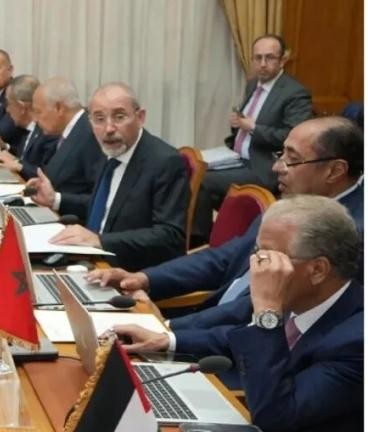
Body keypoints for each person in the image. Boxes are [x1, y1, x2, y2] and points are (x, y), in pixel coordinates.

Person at [113, 196, 363, 432]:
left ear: (318, 270)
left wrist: (267, 311)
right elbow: (237, 336)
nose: (255, 267)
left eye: (268, 258)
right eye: (256, 253)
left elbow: (276, 413)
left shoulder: (356, 339)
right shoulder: (301, 296)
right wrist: (167, 340)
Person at [90, 117, 363, 327]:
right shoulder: (295, 200)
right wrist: (144, 278)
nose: (277, 167)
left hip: (237, 348)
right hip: (206, 321)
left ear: (334, 170)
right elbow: (226, 257)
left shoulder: (351, 235)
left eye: (292, 159)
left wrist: (168, 329)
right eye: (281, 155)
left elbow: (259, 309)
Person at [24, 83, 188, 270]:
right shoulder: (110, 150)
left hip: (129, 271)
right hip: (91, 259)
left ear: (140, 117)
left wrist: (100, 240)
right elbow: (106, 207)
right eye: (99, 119)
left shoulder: (164, 161)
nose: (108, 128)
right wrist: (55, 199)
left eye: (119, 117)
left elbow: (170, 236)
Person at [194, 34, 313, 239]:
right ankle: (228, 230)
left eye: (269, 57)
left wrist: (253, 127)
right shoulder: (252, 85)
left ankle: (202, 241)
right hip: (237, 157)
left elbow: (293, 137)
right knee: (191, 168)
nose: (263, 64)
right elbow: (246, 124)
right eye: (258, 58)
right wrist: (238, 123)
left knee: (202, 181)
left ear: (282, 60)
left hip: (264, 166)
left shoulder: (295, 93)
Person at [27, 77, 104, 196]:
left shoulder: (90, 134)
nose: (35, 119)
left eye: (38, 112)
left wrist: (57, 200)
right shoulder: (67, 130)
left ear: (59, 108)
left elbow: (98, 197)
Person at [0, 74, 58, 179]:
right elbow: (25, 156)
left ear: (22, 107)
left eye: (9, 103)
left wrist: (18, 165)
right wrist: (5, 147)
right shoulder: (28, 128)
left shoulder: (47, 131)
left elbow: (47, 175)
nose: (7, 109)